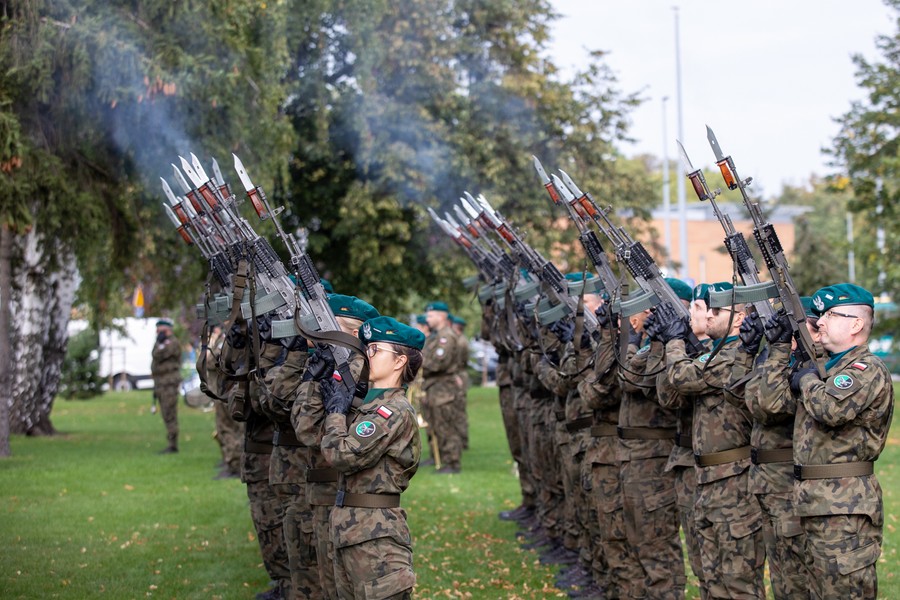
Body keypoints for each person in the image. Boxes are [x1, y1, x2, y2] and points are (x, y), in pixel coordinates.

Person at [655, 281, 765, 599]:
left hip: (734, 480)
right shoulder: (713, 354)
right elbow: (669, 395)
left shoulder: (734, 356)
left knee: (738, 581)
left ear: (740, 318)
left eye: (716, 310)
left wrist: (675, 341)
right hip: (707, 478)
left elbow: (683, 378)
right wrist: (673, 344)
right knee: (710, 576)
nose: (707, 316)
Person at [787, 283, 893, 599]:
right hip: (815, 503)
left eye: (831, 315)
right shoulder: (828, 367)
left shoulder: (865, 368)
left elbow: (830, 409)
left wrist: (806, 379)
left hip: (844, 509)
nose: (820, 321)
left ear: (856, 324)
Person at [319, 315, 425, 599]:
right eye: (367, 348)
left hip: (376, 539)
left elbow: (341, 454)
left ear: (399, 361)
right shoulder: (368, 407)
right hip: (352, 531)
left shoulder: (393, 411)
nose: (367, 355)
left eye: (376, 349)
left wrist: (335, 413)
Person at [421, 301, 463, 473]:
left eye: (430, 315)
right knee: (434, 424)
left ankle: (452, 462)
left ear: (440, 316)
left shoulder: (447, 336)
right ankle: (436, 456)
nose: (427, 319)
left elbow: (439, 363)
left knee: (446, 425)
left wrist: (418, 364)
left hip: (443, 388)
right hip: (433, 387)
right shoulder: (436, 336)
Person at [151, 318, 181, 454]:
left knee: (170, 414)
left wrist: (160, 344)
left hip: (169, 384)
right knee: (165, 413)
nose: (157, 332)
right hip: (161, 384)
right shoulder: (161, 342)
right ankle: (171, 442)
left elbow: (158, 355)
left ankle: (172, 444)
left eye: (160, 329)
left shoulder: (172, 343)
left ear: (167, 329)